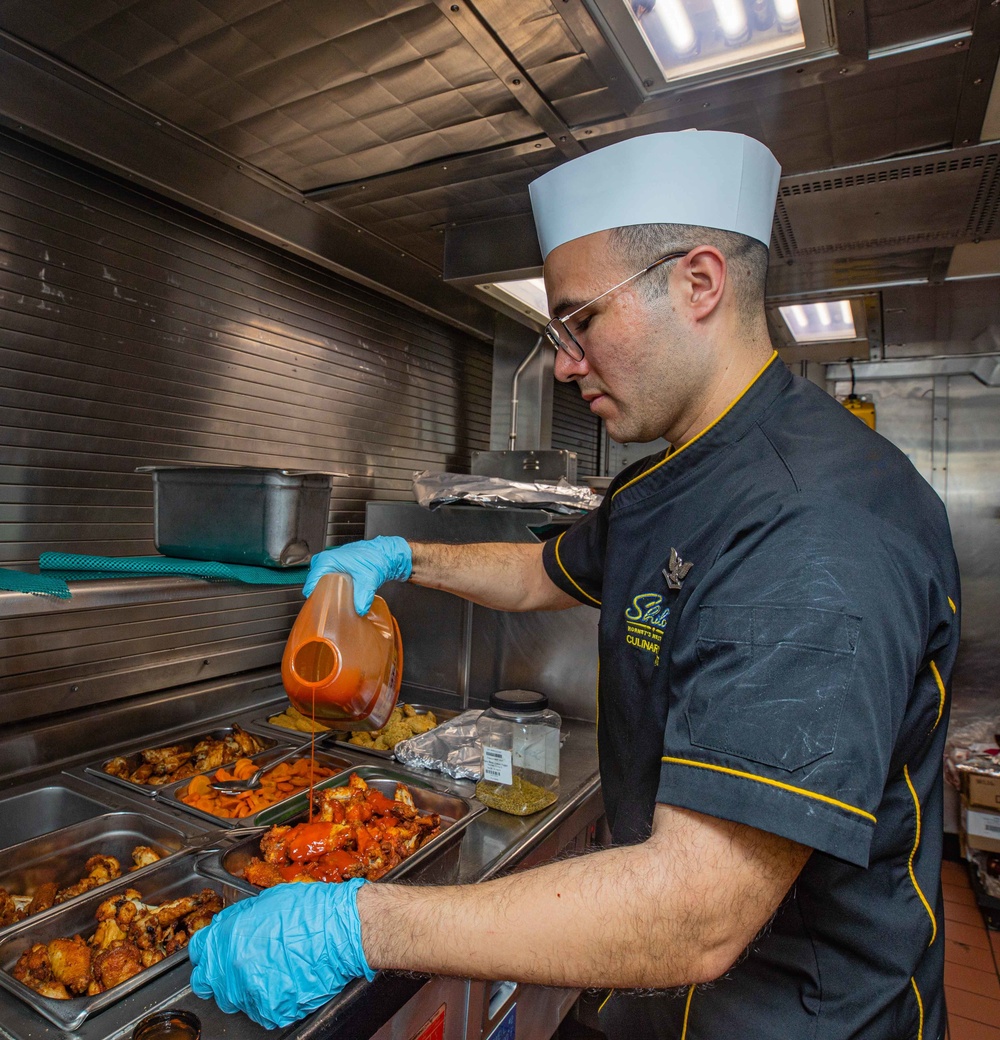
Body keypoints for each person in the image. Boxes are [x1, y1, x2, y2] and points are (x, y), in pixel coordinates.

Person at [189, 131, 960, 1039]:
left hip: (802, 1019)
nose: (561, 362)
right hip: (661, 1003)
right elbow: (542, 570)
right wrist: (398, 557)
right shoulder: (671, 476)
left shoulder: (818, 528)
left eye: (579, 321)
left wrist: (358, 925)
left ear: (699, 283)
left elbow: (697, 911)